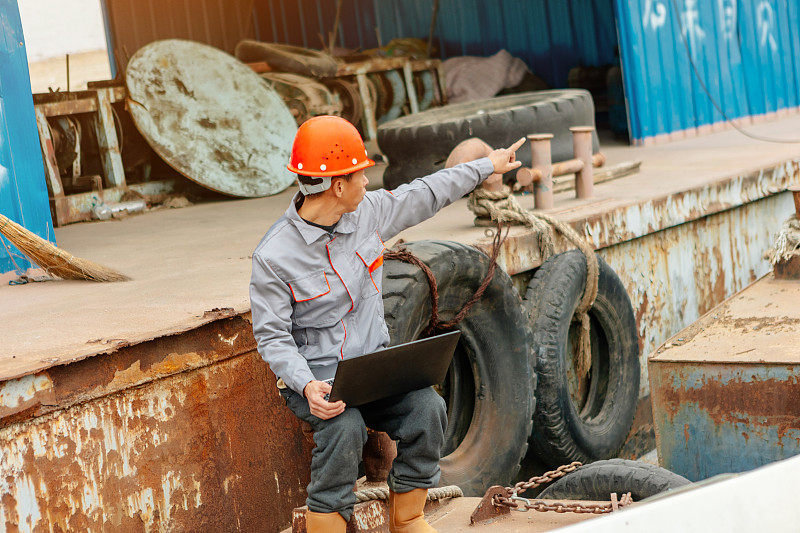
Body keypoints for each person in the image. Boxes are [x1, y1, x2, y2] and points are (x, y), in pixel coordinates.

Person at [250, 115, 524, 533]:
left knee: (427, 409)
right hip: (318, 383)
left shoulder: (369, 213)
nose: (368, 181)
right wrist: (307, 385)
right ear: (338, 185)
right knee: (344, 427)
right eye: (362, 174)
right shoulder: (273, 256)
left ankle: (408, 518)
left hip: (371, 372)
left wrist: (488, 165)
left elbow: (427, 192)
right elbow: (272, 338)